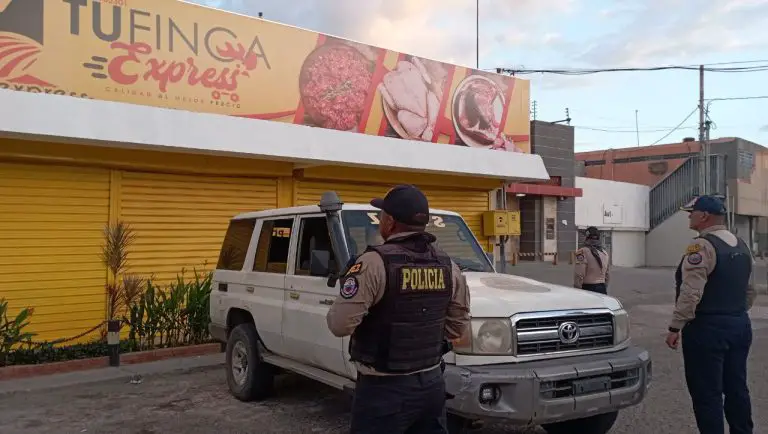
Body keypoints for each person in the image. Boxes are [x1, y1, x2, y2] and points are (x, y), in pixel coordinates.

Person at [326, 184, 470, 434]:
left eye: (382, 215)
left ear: (390, 222)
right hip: (432, 385)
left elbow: (339, 325)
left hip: (383, 391)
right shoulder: (449, 266)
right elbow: (457, 327)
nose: (380, 220)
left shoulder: (373, 263)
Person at [665, 195, 757, 434]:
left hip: (707, 328)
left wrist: (676, 326)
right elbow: (750, 290)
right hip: (739, 324)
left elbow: (690, 292)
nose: (689, 216)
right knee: (736, 387)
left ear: (704, 216)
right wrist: (734, 312)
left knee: (707, 393)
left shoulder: (702, 246)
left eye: (691, 212)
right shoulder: (741, 244)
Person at [573, 226, 610, 294]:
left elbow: (579, 274)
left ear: (586, 237)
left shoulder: (582, 251)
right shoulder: (604, 253)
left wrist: (577, 291)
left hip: (588, 288)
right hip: (602, 288)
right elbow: (607, 275)